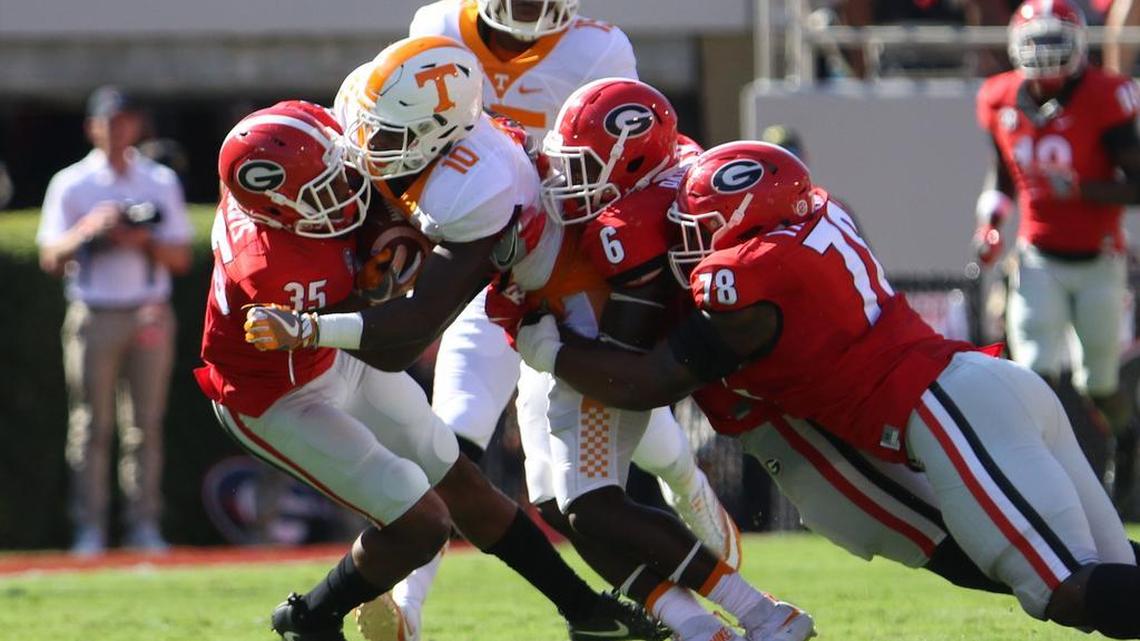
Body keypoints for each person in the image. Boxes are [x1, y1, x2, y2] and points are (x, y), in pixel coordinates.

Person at [515, 139, 1140, 638]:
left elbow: (646, 382)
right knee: (1112, 583)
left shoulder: (746, 281)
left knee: (1065, 590)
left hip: (950, 408)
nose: (686, 240)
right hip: (985, 386)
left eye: (701, 228)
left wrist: (547, 346)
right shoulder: (812, 219)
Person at [202, 101, 661, 641]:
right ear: (278, 211)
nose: (349, 191)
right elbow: (386, 340)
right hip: (274, 394)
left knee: (463, 481)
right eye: (324, 193)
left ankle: (587, 613)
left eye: (342, 173)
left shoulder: (301, 135)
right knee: (420, 523)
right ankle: (309, 618)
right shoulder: (278, 267)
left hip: (330, 355)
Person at [390, 6, 740, 637]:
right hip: (485, 269)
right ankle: (406, 608)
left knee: (619, 441)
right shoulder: (437, 28)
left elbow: (635, 161)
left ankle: (688, 485)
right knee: (451, 442)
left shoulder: (598, 49)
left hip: (568, 269)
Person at [483, 79, 814, 641]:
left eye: (584, 169)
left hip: (603, 348)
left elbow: (624, 353)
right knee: (558, 506)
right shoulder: (650, 174)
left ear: (633, 164)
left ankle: (762, 611)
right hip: (587, 335)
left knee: (590, 505)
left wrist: (555, 351)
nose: (566, 183)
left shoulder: (633, 222)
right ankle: (697, 627)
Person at [972, 0, 1140, 501]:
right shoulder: (1000, 98)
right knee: (1034, 374)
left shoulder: (1105, 96)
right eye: (1036, 42)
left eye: (1054, 42)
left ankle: (1126, 439)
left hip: (1098, 259)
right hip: (1039, 254)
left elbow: (1137, 183)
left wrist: (1083, 190)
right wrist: (991, 224)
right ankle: (1035, 479)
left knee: (1098, 383)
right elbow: (1002, 176)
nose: (1044, 56)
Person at [37, 85, 191, 556]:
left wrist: (139, 239)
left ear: (136, 125)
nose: (117, 128)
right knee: (91, 424)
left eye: (125, 120)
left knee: (145, 424)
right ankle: (90, 529)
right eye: (109, 120)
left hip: (149, 310)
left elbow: (180, 257)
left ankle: (143, 526)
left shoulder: (160, 180)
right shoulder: (72, 183)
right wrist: (90, 230)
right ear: (93, 127)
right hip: (94, 311)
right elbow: (49, 255)